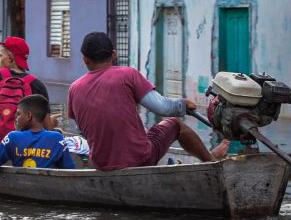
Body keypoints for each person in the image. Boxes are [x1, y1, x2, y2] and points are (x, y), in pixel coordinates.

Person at [67, 32, 228, 171]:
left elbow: (82, 129)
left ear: (86, 60)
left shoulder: (74, 88)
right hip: (139, 159)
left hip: (100, 164)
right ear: (114, 55)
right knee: (176, 124)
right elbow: (163, 108)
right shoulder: (128, 74)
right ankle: (211, 160)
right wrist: (182, 104)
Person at [0, 36, 57, 150]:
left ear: (10, 57)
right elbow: (48, 127)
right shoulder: (37, 84)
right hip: (26, 149)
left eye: (1, 55)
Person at [0, 94, 76, 170]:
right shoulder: (57, 138)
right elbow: (70, 170)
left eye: (18, 114)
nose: (16, 118)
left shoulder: (12, 137)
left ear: (29, 115)